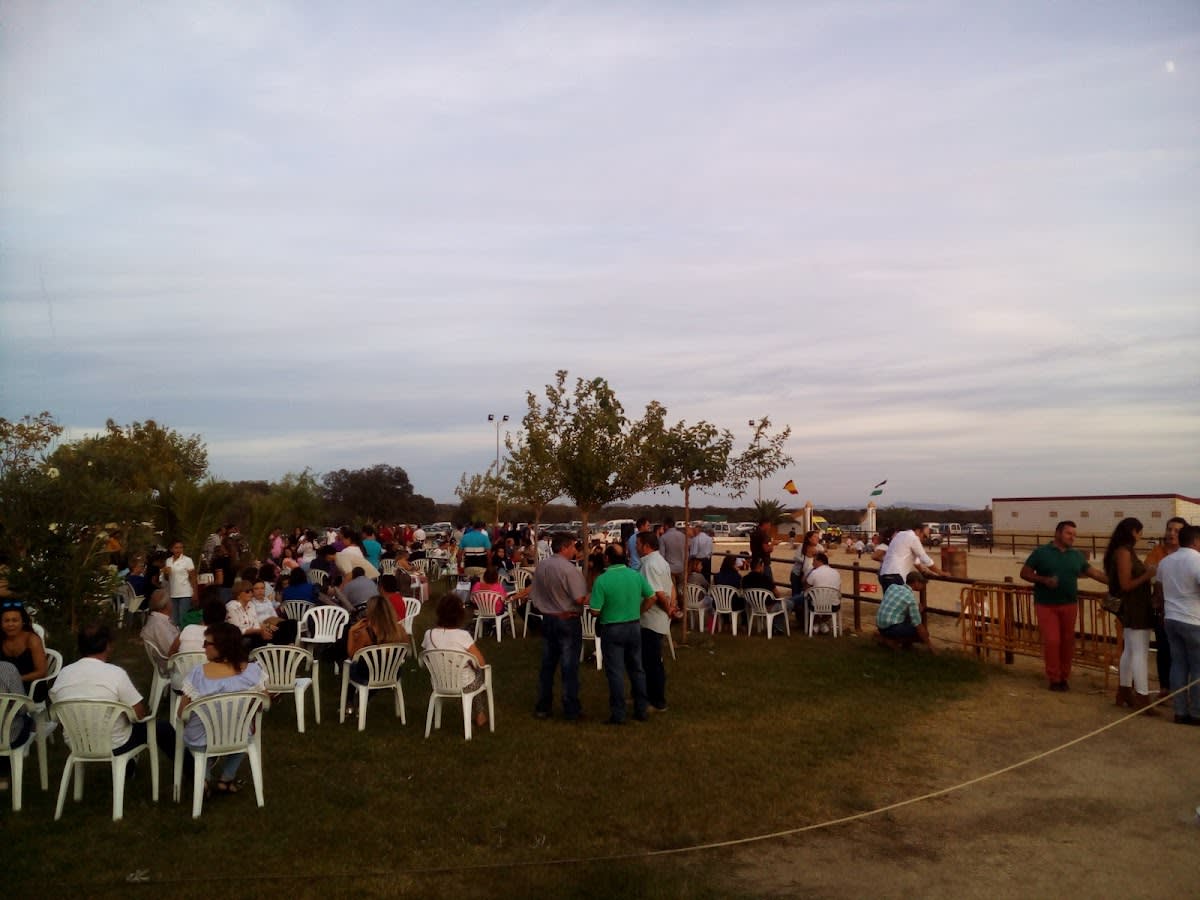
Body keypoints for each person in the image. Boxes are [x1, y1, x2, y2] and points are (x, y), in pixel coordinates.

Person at [50, 623, 174, 756]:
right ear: (108, 646)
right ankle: (191, 769)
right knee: (162, 728)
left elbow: (57, 715)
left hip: (76, 743)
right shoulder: (116, 674)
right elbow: (138, 714)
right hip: (114, 743)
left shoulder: (63, 674)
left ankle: (127, 767)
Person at [178, 622, 266, 795]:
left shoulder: (197, 674)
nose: (203, 647)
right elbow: (263, 703)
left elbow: (183, 714)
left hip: (202, 739)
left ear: (221, 647)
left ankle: (203, 777)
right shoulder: (253, 672)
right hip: (238, 735)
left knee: (194, 730)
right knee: (247, 730)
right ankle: (227, 778)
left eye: (207, 643)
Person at [1020, 521, 1107, 691]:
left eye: (1074, 534)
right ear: (1058, 533)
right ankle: (1054, 678)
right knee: (1052, 641)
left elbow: (1094, 573)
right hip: (1046, 604)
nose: (1073, 537)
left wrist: (1117, 583)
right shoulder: (1041, 552)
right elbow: (1025, 573)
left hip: (1069, 604)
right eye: (1069, 534)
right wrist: (1043, 580)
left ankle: (1064, 677)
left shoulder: (1076, 556)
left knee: (1068, 642)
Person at [589, 543, 654, 725]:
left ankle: (618, 713)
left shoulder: (602, 580)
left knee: (615, 672)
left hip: (612, 627)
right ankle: (641, 709)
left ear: (607, 559)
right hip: (633, 626)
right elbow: (652, 597)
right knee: (637, 669)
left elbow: (594, 610)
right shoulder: (635, 575)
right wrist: (639, 612)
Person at [530, 533, 588, 721]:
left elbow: (534, 594)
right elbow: (579, 598)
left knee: (547, 665)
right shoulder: (569, 570)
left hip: (548, 618)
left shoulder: (541, 567)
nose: (574, 551)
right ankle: (571, 708)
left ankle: (543, 706)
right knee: (569, 666)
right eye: (573, 547)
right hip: (567, 619)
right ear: (564, 547)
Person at [1104, 517, 1158, 711]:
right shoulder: (1124, 552)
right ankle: (1142, 696)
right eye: (1140, 532)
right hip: (1134, 608)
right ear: (1134, 532)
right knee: (1139, 652)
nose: (1141, 536)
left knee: (1130, 650)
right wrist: (1148, 575)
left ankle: (1125, 689)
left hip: (1134, 607)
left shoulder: (1121, 551)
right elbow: (1126, 585)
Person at [421, 593, 489, 729]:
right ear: (460, 614)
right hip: (464, 684)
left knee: (473, 672)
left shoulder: (429, 634)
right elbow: (481, 663)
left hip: (439, 682)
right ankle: (480, 713)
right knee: (479, 673)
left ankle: (479, 714)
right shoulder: (463, 636)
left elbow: (425, 658)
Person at [1156, 524, 1200, 725]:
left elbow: (1159, 590)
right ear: (1196, 541)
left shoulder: (1165, 562)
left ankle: (1180, 711)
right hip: (1193, 620)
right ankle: (1197, 712)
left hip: (1171, 618)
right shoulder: (1197, 560)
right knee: (1198, 668)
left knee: (1178, 665)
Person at [345, 594, 408, 716]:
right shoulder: (400, 630)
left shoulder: (366, 633)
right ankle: (363, 700)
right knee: (379, 669)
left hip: (368, 674)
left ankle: (349, 702)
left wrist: (351, 632)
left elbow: (352, 655)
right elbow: (404, 653)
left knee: (350, 666)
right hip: (393, 673)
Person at [1145, 517, 1187, 698]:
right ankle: (1164, 688)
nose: (1171, 533)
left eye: (1177, 531)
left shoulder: (1191, 554)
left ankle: (1186, 691)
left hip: (1186, 612)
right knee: (1164, 650)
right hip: (1162, 610)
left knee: (1186, 653)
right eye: (1169, 529)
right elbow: (1149, 574)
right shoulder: (1157, 552)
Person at [636, 532, 674, 713]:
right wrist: (672, 606)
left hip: (651, 619)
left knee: (651, 663)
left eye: (638, 544)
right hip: (658, 618)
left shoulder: (650, 565)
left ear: (646, 546)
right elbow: (671, 585)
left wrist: (638, 612)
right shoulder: (661, 562)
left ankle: (657, 700)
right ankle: (644, 695)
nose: (635, 548)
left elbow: (656, 594)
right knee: (650, 661)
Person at [0, 601, 48, 698]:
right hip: (4, 689)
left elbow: (41, 671)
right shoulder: (1, 639)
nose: (10, 624)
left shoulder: (32, 639)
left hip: (30, 688)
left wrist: (15, 680)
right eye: (7, 621)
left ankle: (20, 712)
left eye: (15, 620)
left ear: (22, 622)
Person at [877, 572, 935, 652]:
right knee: (920, 633)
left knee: (908, 621)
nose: (923, 586)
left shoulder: (892, 587)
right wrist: (930, 645)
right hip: (892, 628)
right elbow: (918, 625)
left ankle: (885, 637)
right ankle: (891, 641)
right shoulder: (910, 599)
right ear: (916, 582)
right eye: (922, 583)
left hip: (880, 626)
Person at [877, 524, 945, 591]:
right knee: (898, 601)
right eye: (924, 536)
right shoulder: (913, 538)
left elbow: (915, 561)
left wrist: (923, 571)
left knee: (890, 601)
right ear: (918, 531)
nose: (924, 539)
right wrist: (940, 572)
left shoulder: (900, 535)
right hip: (896, 575)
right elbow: (925, 559)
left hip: (885, 574)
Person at [141, 590, 179, 673]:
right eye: (170, 601)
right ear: (166, 605)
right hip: (172, 664)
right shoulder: (159, 625)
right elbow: (171, 649)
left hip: (172, 659)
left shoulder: (158, 620)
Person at [163, 540, 198, 626]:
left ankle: (183, 637)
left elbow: (193, 577)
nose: (179, 550)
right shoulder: (168, 561)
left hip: (185, 592)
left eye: (181, 547)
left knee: (183, 618)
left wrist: (195, 593)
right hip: (173, 593)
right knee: (174, 619)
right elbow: (167, 578)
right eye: (176, 548)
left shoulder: (187, 560)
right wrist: (165, 573)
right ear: (171, 549)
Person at [805, 552, 842, 634]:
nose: (812, 563)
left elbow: (807, 589)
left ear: (820, 561)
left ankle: (816, 623)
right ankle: (822, 623)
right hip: (833, 606)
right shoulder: (836, 573)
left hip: (816, 606)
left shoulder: (814, 573)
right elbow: (839, 591)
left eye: (814, 561)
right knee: (833, 601)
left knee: (806, 599)